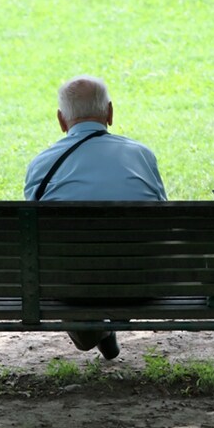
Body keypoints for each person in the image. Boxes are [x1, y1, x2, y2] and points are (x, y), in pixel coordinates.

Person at [24, 75, 167, 360]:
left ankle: (95, 332)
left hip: (71, 287)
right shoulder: (142, 156)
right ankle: (103, 329)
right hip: (139, 283)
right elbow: (162, 221)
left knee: (64, 266)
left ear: (61, 120)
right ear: (110, 113)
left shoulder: (41, 164)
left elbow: (35, 236)